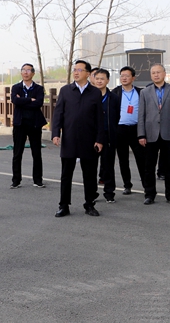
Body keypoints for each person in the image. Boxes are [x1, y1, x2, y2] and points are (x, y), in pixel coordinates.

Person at [51, 60, 105, 217]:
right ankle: (63, 205)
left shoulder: (95, 93)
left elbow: (99, 119)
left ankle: (89, 204)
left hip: (89, 139)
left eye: (80, 70)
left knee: (90, 175)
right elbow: (58, 114)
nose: (76, 72)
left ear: (88, 73)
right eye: (75, 69)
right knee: (66, 174)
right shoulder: (66, 91)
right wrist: (56, 133)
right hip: (70, 138)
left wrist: (99, 139)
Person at [138, 63, 170, 205]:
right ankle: (149, 194)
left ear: (164, 73)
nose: (156, 75)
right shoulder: (145, 92)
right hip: (150, 134)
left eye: (158, 72)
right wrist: (141, 135)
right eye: (153, 73)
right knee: (149, 167)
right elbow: (141, 115)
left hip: (168, 133)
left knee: (169, 167)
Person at [10, 63, 47, 189]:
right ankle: (16, 180)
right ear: (21, 73)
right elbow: (15, 100)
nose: (26, 72)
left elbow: (38, 103)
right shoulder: (16, 87)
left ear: (33, 73)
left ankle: (38, 180)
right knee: (17, 152)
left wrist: (23, 101)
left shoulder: (38, 88)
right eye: (23, 70)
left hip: (35, 123)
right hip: (20, 123)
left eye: (28, 70)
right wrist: (30, 100)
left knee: (36, 153)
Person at [112, 66, 146, 194]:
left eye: (127, 76)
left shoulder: (140, 92)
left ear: (133, 78)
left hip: (136, 129)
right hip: (120, 129)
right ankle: (127, 185)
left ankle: (146, 185)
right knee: (123, 159)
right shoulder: (115, 92)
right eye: (122, 76)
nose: (124, 78)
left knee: (141, 158)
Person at [94, 68, 121, 203]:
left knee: (108, 166)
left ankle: (109, 193)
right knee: (91, 166)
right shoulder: (89, 96)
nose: (99, 81)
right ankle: (91, 193)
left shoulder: (114, 98)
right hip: (92, 136)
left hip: (108, 135)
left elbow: (117, 116)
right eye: (97, 78)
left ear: (108, 81)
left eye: (102, 79)